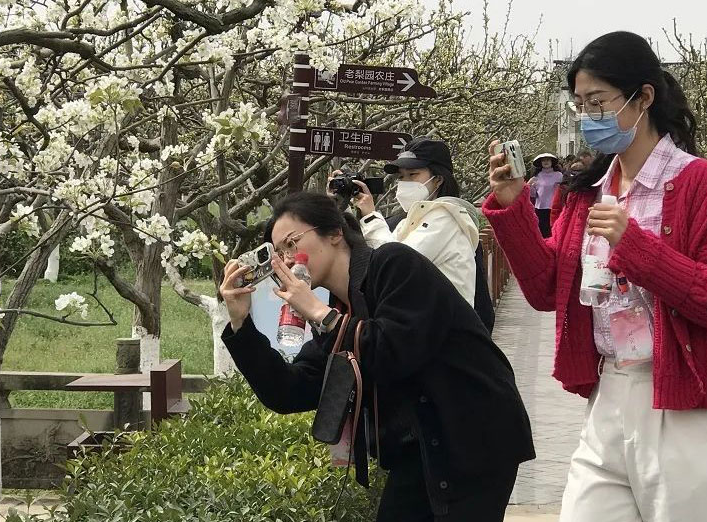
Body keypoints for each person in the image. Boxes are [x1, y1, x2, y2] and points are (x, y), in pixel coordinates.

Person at [482, 30, 707, 522]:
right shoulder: (588, 190)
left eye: (598, 102)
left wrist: (634, 246)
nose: (587, 117)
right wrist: (512, 207)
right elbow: (546, 288)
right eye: (579, 104)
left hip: (683, 400)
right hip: (608, 391)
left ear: (643, 98)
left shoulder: (705, 184)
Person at [220, 191, 535, 522]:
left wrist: (318, 313)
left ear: (335, 233)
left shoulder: (393, 264)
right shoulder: (341, 310)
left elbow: (391, 351)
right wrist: (241, 322)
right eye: (278, 253)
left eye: (291, 243)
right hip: (422, 447)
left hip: (474, 436)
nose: (286, 259)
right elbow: (288, 391)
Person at [333, 137, 494, 333]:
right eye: (401, 177)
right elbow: (372, 258)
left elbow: (396, 262)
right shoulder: (409, 222)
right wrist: (342, 208)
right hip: (424, 330)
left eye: (413, 174)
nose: (405, 182)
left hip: (444, 336)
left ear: (438, 179)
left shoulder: (446, 218)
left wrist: (370, 214)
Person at [526, 153, 563, 238]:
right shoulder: (537, 176)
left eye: (548, 160)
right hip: (540, 208)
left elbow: (563, 191)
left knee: (553, 230)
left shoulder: (559, 175)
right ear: (540, 163)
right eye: (543, 160)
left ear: (552, 162)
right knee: (542, 232)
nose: (546, 162)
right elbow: (533, 195)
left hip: (554, 207)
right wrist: (531, 187)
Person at [549, 160, 586, 224]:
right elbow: (556, 208)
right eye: (574, 170)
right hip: (563, 223)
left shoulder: (588, 189)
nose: (576, 174)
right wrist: (554, 225)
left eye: (579, 170)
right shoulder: (562, 188)